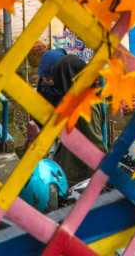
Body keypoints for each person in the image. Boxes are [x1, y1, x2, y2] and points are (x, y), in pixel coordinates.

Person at [48, 54, 106, 186]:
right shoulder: (75, 100)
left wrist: (101, 180)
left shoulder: (84, 104)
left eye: (58, 77)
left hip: (79, 179)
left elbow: (95, 142)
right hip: (70, 172)